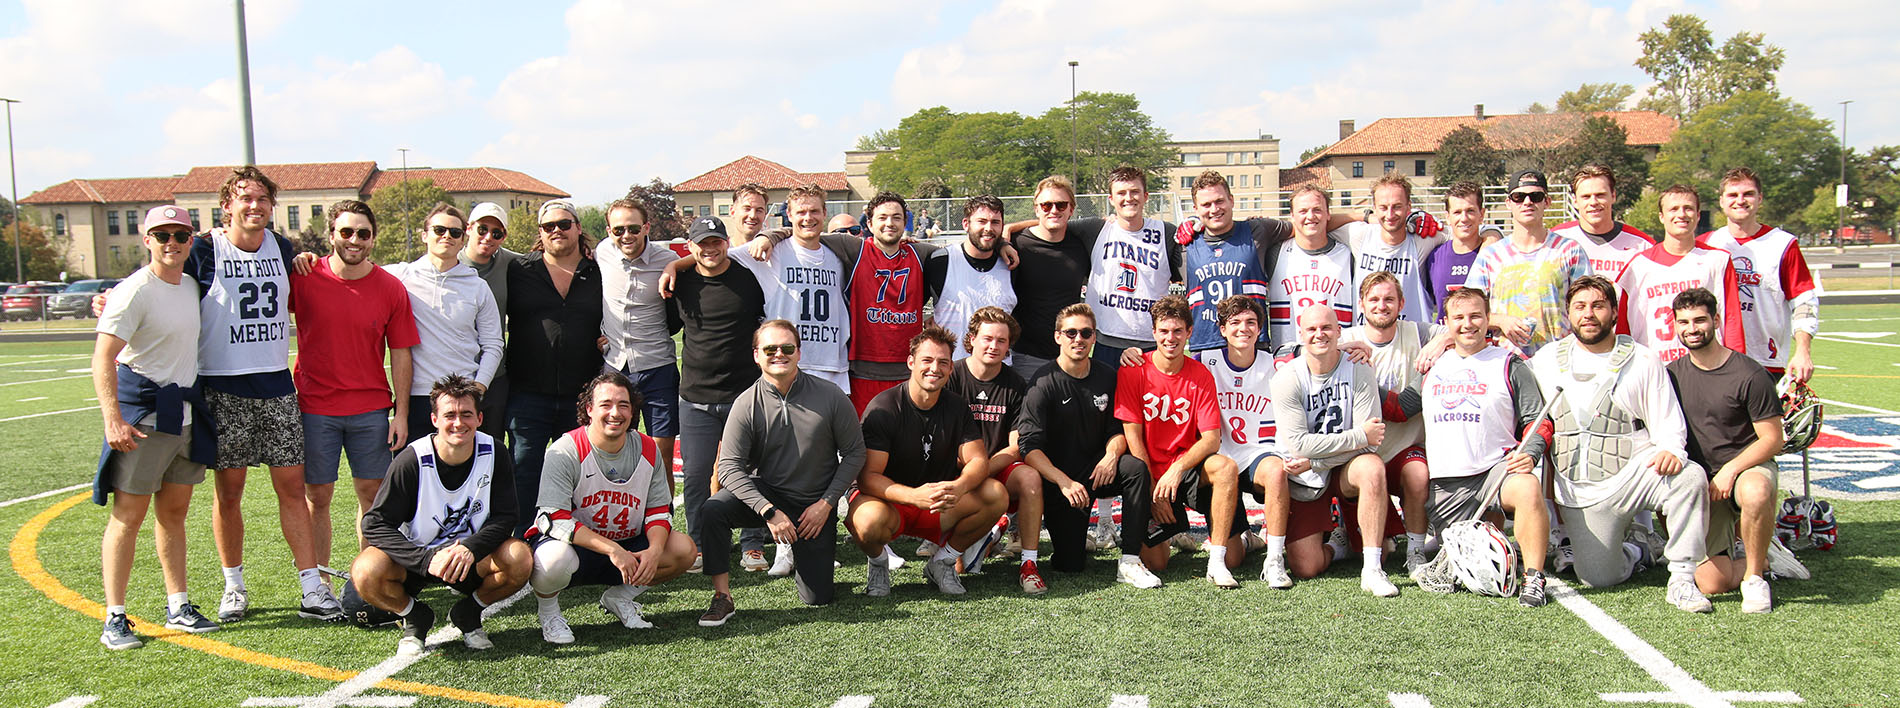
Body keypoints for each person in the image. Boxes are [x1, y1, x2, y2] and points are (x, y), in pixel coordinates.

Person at [195, 167, 333, 622]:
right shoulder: (204, 248)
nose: (253, 206)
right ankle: (233, 584)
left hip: (275, 382)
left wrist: (306, 261)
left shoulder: (282, 247)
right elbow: (165, 282)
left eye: (261, 199)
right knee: (229, 491)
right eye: (244, 198)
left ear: (272, 206)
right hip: (223, 383)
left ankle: (311, 586)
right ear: (227, 206)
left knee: (292, 488)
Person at [1530, 275, 1713, 612]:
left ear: (1614, 312)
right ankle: (1637, 548)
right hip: (1582, 491)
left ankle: (1683, 579)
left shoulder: (1642, 360)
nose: (1589, 314)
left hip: (1634, 475)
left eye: (1598, 306)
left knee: (1689, 477)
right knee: (1597, 578)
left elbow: (1668, 420)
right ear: (1568, 313)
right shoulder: (1545, 360)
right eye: (1580, 307)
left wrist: (1672, 450)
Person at [92, 205, 220, 648]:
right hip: (144, 418)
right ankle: (115, 616)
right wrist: (113, 420)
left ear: (190, 239)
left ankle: (178, 605)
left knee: (174, 515)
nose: (171, 243)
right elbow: (102, 358)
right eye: (161, 235)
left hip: (183, 416)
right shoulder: (133, 291)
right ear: (146, 240)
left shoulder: (189, 284)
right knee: (128, 517)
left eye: (180, 235)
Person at [697, 321, 866, 624]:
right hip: (771, 496)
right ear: (756, 356)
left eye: (787, 348)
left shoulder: (830, 396)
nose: (779, 354)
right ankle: (722, 596)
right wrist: (767, 511)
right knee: (713, 509)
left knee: (817, 598)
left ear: (799, 352)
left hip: (814, 506)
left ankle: (807, 558)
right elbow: (729, 467)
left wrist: (826, 504)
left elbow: (855, 453)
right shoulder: (746, 403)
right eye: (770, 349)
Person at [351, 375, 529, 654]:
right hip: (418, 558)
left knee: (519, 559)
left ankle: (468, 613)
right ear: (434, 419)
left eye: (466, 414)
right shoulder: (411, 460)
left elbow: (507, 516)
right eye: (450, 415)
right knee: (364, 572)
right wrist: (424, 559)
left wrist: (471, 548)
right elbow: (374, 523)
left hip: (471, 558)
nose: (458, 423)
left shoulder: (495, 452)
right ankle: (415, 618)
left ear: (480, 418)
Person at [290, 199, 418, 575]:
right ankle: (319, 585)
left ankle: (366, 582)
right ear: (332, 235)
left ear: (373, 238)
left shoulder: (391, 288)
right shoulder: (304, 276)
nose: (354, 240)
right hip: (315, 408)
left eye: (363, 233)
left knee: (372, 499)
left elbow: (402, 354)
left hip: (370, 409)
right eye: (346, 232)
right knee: (318, 497)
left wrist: (402, 413)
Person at [527, 372, 698, 642]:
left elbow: (658, 510)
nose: (615, 413)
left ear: (633, 411)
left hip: (628, 547)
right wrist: (613, 550)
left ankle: (620, 597)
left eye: (623, 405)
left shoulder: (648, 448)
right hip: (576, 549)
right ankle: (549, 613)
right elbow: (554, 518)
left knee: (682, 549)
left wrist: (653, 550)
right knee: (551, 562)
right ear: (589, 409)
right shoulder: (566, 450)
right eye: (606, 404)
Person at [1415, 288, 1552, 607]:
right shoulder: (1433, 365)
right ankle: (1494, 530)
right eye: (1459, 318)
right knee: (1470, 565)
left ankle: (1534, 578)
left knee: (1528, 488)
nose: (1468, 324)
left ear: (1488, 320)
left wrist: (1529, 454)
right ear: (1446, 323)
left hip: (1496, 471)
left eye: (1476, 316)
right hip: (1448, 485)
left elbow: (1539, 420)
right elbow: (1399, 407)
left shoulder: (1509, 363)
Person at [847, 324, 1007, 596]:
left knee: (995, 494)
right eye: (927, 360)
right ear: (911, 362)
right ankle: (878, 562)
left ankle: (942, 561)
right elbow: (867, 478)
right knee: (867, 521)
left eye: (943, 362)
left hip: (935, 501)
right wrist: (912, 496)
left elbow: (978, 461)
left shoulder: (956, 406)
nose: (935, 368)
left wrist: (959, 487)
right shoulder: (884, 408)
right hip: (889, 502)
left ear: (951, 368)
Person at [1666, 288, 1797, 613]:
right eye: (1683, 322)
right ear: (1675, 326)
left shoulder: (1750, 374)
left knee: (1755, 491)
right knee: (1713, 583)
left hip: (1745, 468)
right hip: (1703, 483)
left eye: (1699, 320)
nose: (1691, 328)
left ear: (1716, 321)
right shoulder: (1671, 375)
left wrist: (1731, 470)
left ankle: (1754, 578)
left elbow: (1772, 439)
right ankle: (1765, 557)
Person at [1016, 304, 1157, 586]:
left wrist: (1112, 454)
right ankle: (1074, 540)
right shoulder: (1042, 383)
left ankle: (1130, 560)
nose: (1078, 339)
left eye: (1085, 333)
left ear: (1094, 338)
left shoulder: (1107, 375)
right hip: (1064, 482)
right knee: (1070, 565)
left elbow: (1119, 430)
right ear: (1057, 337)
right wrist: (1064, 482)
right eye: (1070, 333)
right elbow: (1029, 448)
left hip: (1099, 470)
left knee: (1135, 468)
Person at [1116, 295, 1246, 588]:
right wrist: (1151, 490)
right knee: (1157, 563)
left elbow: (1212, 439)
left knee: (1225, 469)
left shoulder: (1200, 374)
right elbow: (1132, 434)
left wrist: (1177, 469)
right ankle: (1174, 532)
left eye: (1177, 331)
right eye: (1163, 331)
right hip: (1151, 473)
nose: (1170, 338)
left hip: (1186, 471)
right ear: (1153, 333)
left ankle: (1217, 561)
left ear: (1189, 332)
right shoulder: (1133, 369)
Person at [1270, 304, 1399, 597]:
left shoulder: (1359, 365)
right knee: (1306, 566)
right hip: (1305, 478)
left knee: (1372, 467)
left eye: (1327, 327)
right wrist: (1356, 437)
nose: (1320, 334)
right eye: (1312, 329)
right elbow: (1298, 445)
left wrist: (1315, 460)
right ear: (1300, 335)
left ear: (1340, 331)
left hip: (1338, 467)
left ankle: (1373, 568)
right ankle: (1337, 543)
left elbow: (1372, 441)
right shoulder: (1287, 377)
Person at [667, 216, 766, 574]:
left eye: (715, 242)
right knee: (695, 476)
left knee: (748, 470)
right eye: (702, 244)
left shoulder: (746, 279)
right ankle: (698, 544)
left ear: (726, 242)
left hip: (744, 395)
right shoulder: (681, 283)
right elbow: (666, 325)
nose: (710, 249)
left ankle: (753, 544)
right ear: (690, 248)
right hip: (695, 398)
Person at [505, 199, 605, 533]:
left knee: (579, 473)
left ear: (578, 228)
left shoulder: (599, 270)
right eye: (549, 226)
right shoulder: (519, 269)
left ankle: (576, 544)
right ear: (540, 233)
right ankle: (521, 543)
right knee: (524, 470)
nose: (557, 231)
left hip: (582, 392)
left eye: (564, 224)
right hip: (526, 392)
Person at [1338, 272, 1436, 575]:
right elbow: (1296, 352)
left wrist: (1442, 341)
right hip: (1358, 457)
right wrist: (1337, 353)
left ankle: (1416, 551)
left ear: (1402, 303)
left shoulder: (1419, 334)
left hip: (1402, 450)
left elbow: (1463, 326)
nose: (1382, 305)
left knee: (1418, 473)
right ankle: (1346, 526)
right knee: (1380, 553)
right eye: (1375, 299)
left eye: (1389, 299)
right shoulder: (1345, 339)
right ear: (1361, 304)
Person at [1194, 296, 1294, 587]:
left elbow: (1318, 352)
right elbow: (1169, 364)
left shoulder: (1276, 366)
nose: (1243, 328)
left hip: (1258, 456)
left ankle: (1274, 560)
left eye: (1251, 322)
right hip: (1221, 461)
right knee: (1233, 558)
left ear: (1260, 329)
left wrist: (1354, 345)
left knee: (1277, 471)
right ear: (1222, 329)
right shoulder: (1206, 362)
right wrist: (1135, 353)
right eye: (1235, 322)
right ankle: (1247, 540)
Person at [944, 307, 1044, 593]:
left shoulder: (1015, 384)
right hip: (956, 472)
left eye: (1002, 340)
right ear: (972, 338)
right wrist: (969, 474)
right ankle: (992, 528)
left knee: (1030, 478)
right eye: (988, 338)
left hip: (994, 469)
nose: (994, 346)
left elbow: (1014, 447)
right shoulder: (951, 375)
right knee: (962, 568)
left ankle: (1029, 564)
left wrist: (981, 470)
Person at [392, 203, 503, 444]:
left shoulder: (477, 287)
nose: (446, 236)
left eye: (454, 232)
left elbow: (494, 344)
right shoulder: (401, 277)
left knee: (463, 478)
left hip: (462, 397)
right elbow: (354, 270)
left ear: (463, 239)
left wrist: (478, 388)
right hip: (416, 397)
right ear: (424, 235)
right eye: (439, 230)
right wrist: (311, 260)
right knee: (416, 478)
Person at [1698, 167, 1820, 383]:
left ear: (1760, 198)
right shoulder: (1706, 244)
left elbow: (1804, 302)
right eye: (1733, 195)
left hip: (1766, 359)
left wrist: (1803, 351)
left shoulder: (1783, 244)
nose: (1740, 201)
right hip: (1713, 357)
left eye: (1748, 194)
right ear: (1721, 201)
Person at [726, 185, 852, 393]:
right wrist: (674, 266)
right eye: (801, 212)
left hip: (832, 368)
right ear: (789, 215)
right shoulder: (772, 252)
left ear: (825, 213)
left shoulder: (839, 255)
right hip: (786, 366)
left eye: (814, 211)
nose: (808, 218)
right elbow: (713, 255)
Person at [596, 197, 681, 488]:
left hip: (657, 366)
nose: (626, 236)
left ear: (646, 227)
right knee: (614, 453)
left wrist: (676, 267)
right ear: (608, 231)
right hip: (614, 367)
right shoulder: (602, 252)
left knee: (661, 456)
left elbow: (703, 254)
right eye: (618, 230)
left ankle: (664, 524)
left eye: (633, 228)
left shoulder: (666, 258)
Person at [1462, 170, 1593, 356]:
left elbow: (1589, 305)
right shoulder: (1491, 256)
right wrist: (1501, 321)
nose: (1527, 202)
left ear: (1547, 202)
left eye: (1536, 196)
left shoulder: (1569, 251)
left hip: (1559, 360)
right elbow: (1466, 308)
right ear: (1508, 203)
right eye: (1519, 197)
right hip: (1505, 362)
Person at [1613, 184, 1745, 363]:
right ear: (1662, 216)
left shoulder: (1718, 260)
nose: (1681, 214)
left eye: (1688, 208)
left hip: (1705, 367)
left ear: (1698, 215)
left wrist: (1736, 366)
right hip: (1654, 368)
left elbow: (1732, 319)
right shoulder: (1637, 266)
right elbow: (1623, 328)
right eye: (1673, 209)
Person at [1080, 166, 1183, 368]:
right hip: (1106, 340)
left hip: (1153, 342)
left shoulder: (1166, 232)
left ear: (1146, 196)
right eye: (1121, 193)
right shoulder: (1095, 229)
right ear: (1111, 199)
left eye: (1134, 192)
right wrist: (1009, 231)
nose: (1129, 198)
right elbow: (1051, 226)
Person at [1006, 176, 1099, 379]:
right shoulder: (1015, 244)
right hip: (1025, 357)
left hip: (1071, 355)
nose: (1054, 210)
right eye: (1046, 205)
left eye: (1061, 205)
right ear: (1036, 209)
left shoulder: (1082, 243)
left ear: (1071, 210)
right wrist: (1008, 230)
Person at [1336, 173, 1444, 326]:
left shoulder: (1423, 239)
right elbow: (1323, 222)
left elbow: (1469, 231)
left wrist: (1491, 234)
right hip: (1366, 342)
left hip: (1411, 342)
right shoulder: (1361, 235)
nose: (1390, 214)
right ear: (1374, 208)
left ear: (1409, 207)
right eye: (1383, 207)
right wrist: (1366, 216)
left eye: (1397, 206)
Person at [459, 202, 524, 437]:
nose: (488, 237)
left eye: (496, 233)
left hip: (496, 376)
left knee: (491, 446)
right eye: (482, 229)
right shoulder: (451, 261)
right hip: (456, 373)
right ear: (468, 228)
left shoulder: (512, 263)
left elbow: (546, 261)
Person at [926, 196, 1016, 360]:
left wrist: (1005, 241)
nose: (988, 228)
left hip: (998, 373)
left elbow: (1047, 226)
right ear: (966, 224)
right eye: (981, 221)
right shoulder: (941, 261)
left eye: (995, 222)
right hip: (950, 372)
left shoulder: (1011, 264)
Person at [1267, 186, 1357, 347]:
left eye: (1317, 210)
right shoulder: (1275, 253)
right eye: (1303, 211)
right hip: (1286, 359)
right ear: (1292, 216)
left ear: (1328, 214)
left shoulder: (1348, 254)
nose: (1310, 216)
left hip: (1337, 356)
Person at [1552, 164, 1654, 277]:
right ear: (1575, 201)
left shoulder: (1643, 246)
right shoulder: (1556, 239)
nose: (1593, 202)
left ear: (1613, 196)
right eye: (1586, 196)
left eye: (1600, 195)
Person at [1419, 182, 1492, 321]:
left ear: (1481, 214)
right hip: (1446, 339)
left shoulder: (1494, 254)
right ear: (1447, 217)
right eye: (1457, 212)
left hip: (1486, 340)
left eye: (1470, 211)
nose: (1464, 218)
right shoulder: (1434, 257)